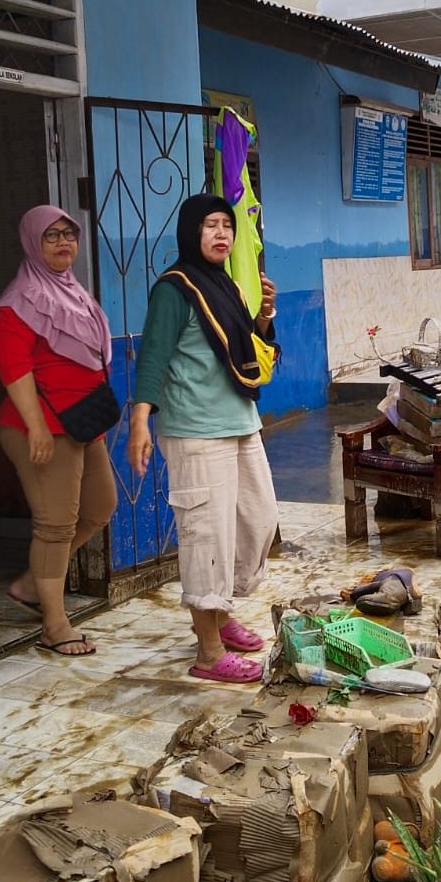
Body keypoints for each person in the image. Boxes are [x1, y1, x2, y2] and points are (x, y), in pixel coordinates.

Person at [127, 193, 279, 684]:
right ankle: (209, 652)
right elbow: (152, 355)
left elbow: (244, 349)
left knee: (256, 521)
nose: (221, 234)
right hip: (194, 428)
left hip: (239, 420)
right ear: (191, 232)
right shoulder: (174, 289)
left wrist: (262, 319)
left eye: (226, 226)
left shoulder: (227, 285)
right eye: (210, 225)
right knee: (206, 535)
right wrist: (140, 421)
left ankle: (222, 612)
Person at [0, 205, 117, 656]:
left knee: (101, 506)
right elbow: (14, 367)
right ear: (32, 242)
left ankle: (31, 583)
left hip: (82, 422)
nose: (64, 243)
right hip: (38, 426)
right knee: (55, 527)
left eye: (69, 234)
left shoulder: (73, 293)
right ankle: (54, 623)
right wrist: (36, 428)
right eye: (51, 236)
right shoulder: (18, 300)